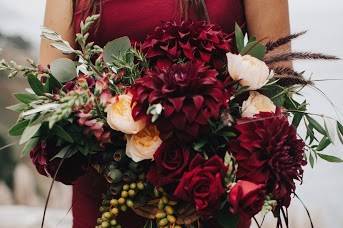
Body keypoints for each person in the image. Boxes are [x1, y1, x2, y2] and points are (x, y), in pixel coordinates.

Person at [39, 0, 291, 227]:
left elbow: (279, 87)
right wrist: (114, 167)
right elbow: (49, 90)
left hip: (210, 196)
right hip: (110, 196)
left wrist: (214, 179)